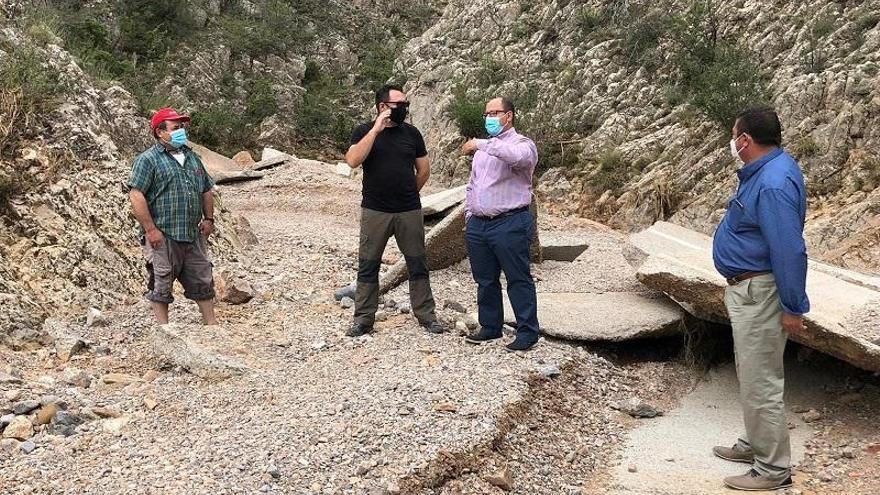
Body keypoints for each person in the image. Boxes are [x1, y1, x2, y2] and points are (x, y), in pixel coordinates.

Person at [711, 107, 809, 491]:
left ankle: (773, 470)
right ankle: (755, 443)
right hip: (750, 290)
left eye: (734, 135)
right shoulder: (769, 171)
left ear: (745, 140)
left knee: (761, 382)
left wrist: (793, 305)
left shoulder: (772, 183)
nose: (732, 142)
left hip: (760, 293)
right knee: (752, 373)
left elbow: (789, 249)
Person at [344, 85, 446, 336]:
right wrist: (376, 130)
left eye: (406, 105)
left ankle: (426, 315)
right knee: (368, 264)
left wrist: (410, 193)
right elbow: (353, 160)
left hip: (408, 210)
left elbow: (423, 170)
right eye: (399, 105)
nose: (404, 109)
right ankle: (364, 319)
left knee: (417, 263)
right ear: (382, 107)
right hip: (375, 211)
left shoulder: (412, 134)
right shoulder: (363, 130)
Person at [460, 97, 540, 352]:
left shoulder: (522, 144)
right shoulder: (483, 152)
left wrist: (480, 143)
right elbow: (474, 183)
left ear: (510, 116)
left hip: (510, 222)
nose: (489, 118)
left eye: (495, 113)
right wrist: (469, 215)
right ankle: (491, 327)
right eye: (487, 114)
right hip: (480, 224)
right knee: (485, 279)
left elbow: (516, 158)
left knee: (518, 279)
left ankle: (527, 331)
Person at [128, 107, 218, 326]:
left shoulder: (192, 158)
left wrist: (208, 219)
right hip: (163, 234)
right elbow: (136, 194)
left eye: (182, 127)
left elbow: (206, 189)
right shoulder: (148, 160)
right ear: (160, 132)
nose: (181, 131)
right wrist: (151, 230)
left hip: (192, 233)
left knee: (203, 279)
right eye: (175, 127)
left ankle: (212, 327)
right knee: (161, 282)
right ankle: (164, 330)